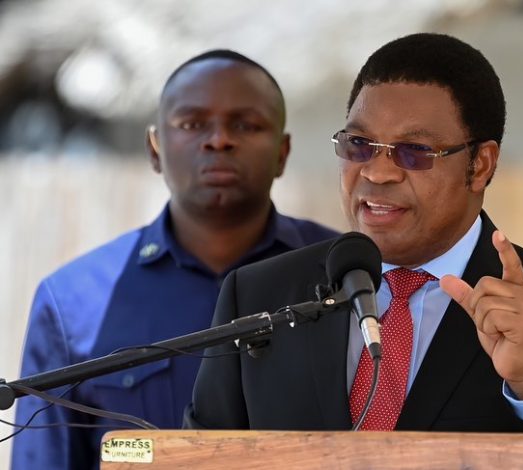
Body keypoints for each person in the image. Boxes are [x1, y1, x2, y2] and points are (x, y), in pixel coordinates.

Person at [184, 34, 523, 433]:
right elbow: (199, 454)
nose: (377, 172)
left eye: (414, 151)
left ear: (480, 165)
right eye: (359, 144)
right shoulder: (258, 296)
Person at [11, 50, 339, 470]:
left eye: (245, 124)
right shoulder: (72, 302)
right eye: (192, 124)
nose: (219, 140)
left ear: (282, 152)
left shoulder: (345, 277)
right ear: (154, 149)